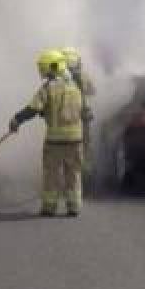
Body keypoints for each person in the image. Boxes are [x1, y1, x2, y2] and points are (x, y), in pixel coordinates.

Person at [9, 49, 86, 217]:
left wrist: (17, 120)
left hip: (55, 141)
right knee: (73, 173)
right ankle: (74, 207)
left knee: (52, 174)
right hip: (76, 139)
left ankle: (49, 207)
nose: (43, 72)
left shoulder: (48, 88)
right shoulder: (75, 86)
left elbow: (33, 109)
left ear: (53, 67)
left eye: (44, 68)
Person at [61, 47, 96, 163]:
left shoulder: (58, 78)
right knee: (84, 144)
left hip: (63, 117)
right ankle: (84, 167)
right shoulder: (83, 76)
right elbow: (92, 91)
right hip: (82, 116)